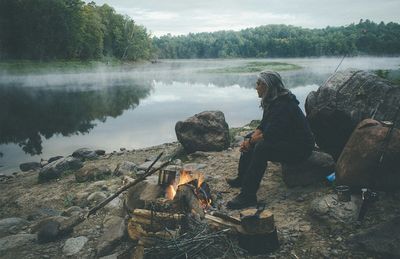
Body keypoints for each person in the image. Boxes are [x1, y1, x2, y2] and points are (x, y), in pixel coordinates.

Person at [226, 71, 315, 209]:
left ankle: (248, 196)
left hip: (300, 148)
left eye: (258, 84)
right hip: (287, 140)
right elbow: (262, 127)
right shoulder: (273, 101)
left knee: (262, 147)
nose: (256, 87)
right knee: (251, 138)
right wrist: (248, 141)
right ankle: (242, 178)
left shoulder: (283, 105)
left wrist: (250, 143)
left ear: (267, 86)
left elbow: (270, 135)